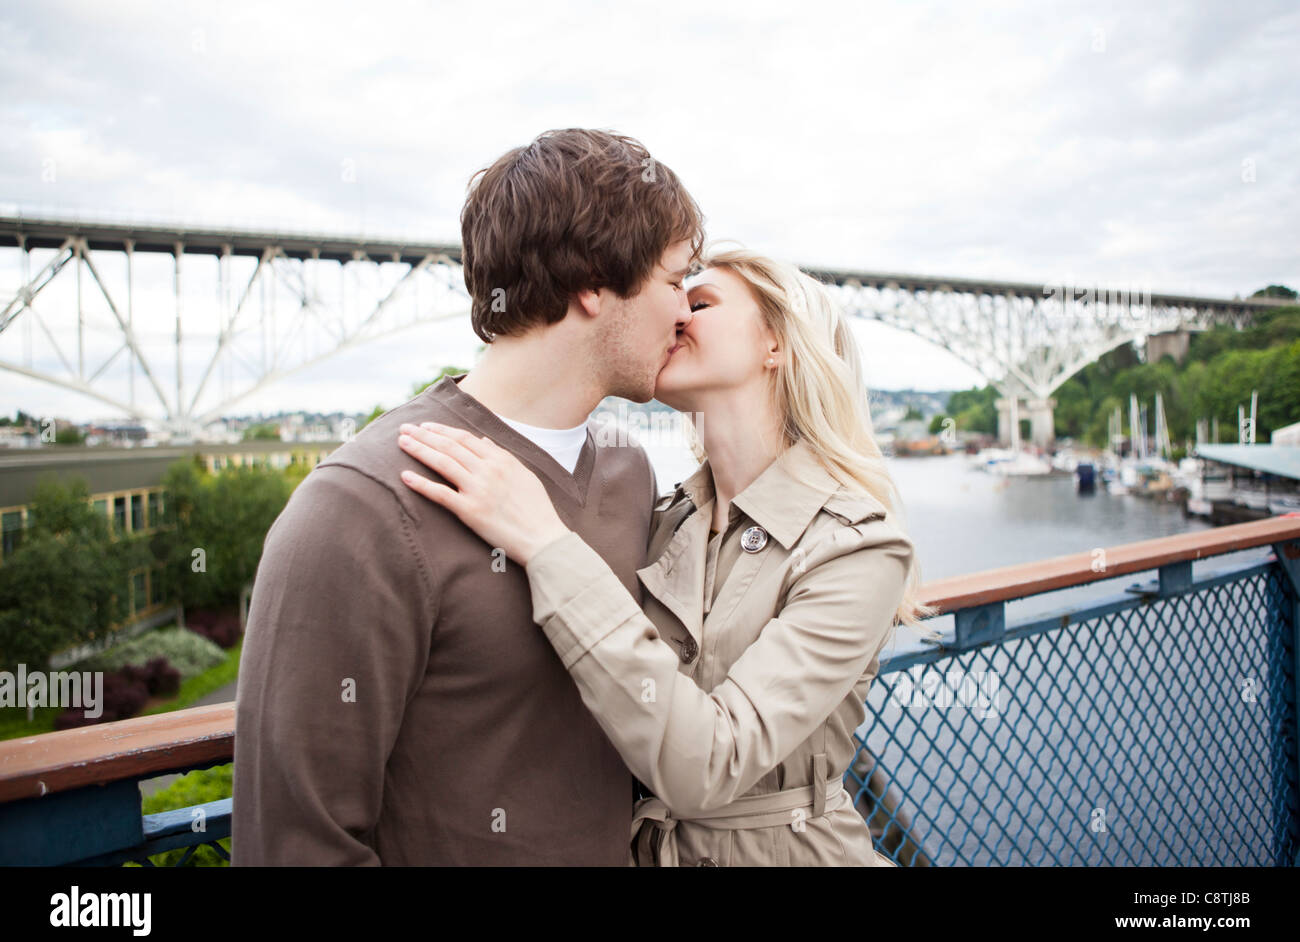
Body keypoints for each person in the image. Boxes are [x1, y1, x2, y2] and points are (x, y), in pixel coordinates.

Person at [231, 128, 705, 864]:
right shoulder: (359, 508)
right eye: (677, 281)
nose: (688, 313)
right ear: (591, 283)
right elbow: (296, 843)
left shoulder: (626, 470)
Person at [396, 247, 937, 866]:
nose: (675, 312)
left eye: (700, 301)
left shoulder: (858, 547)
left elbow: (711, 763)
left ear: (776, 345)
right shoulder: (662, 517)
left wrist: (546, 543)